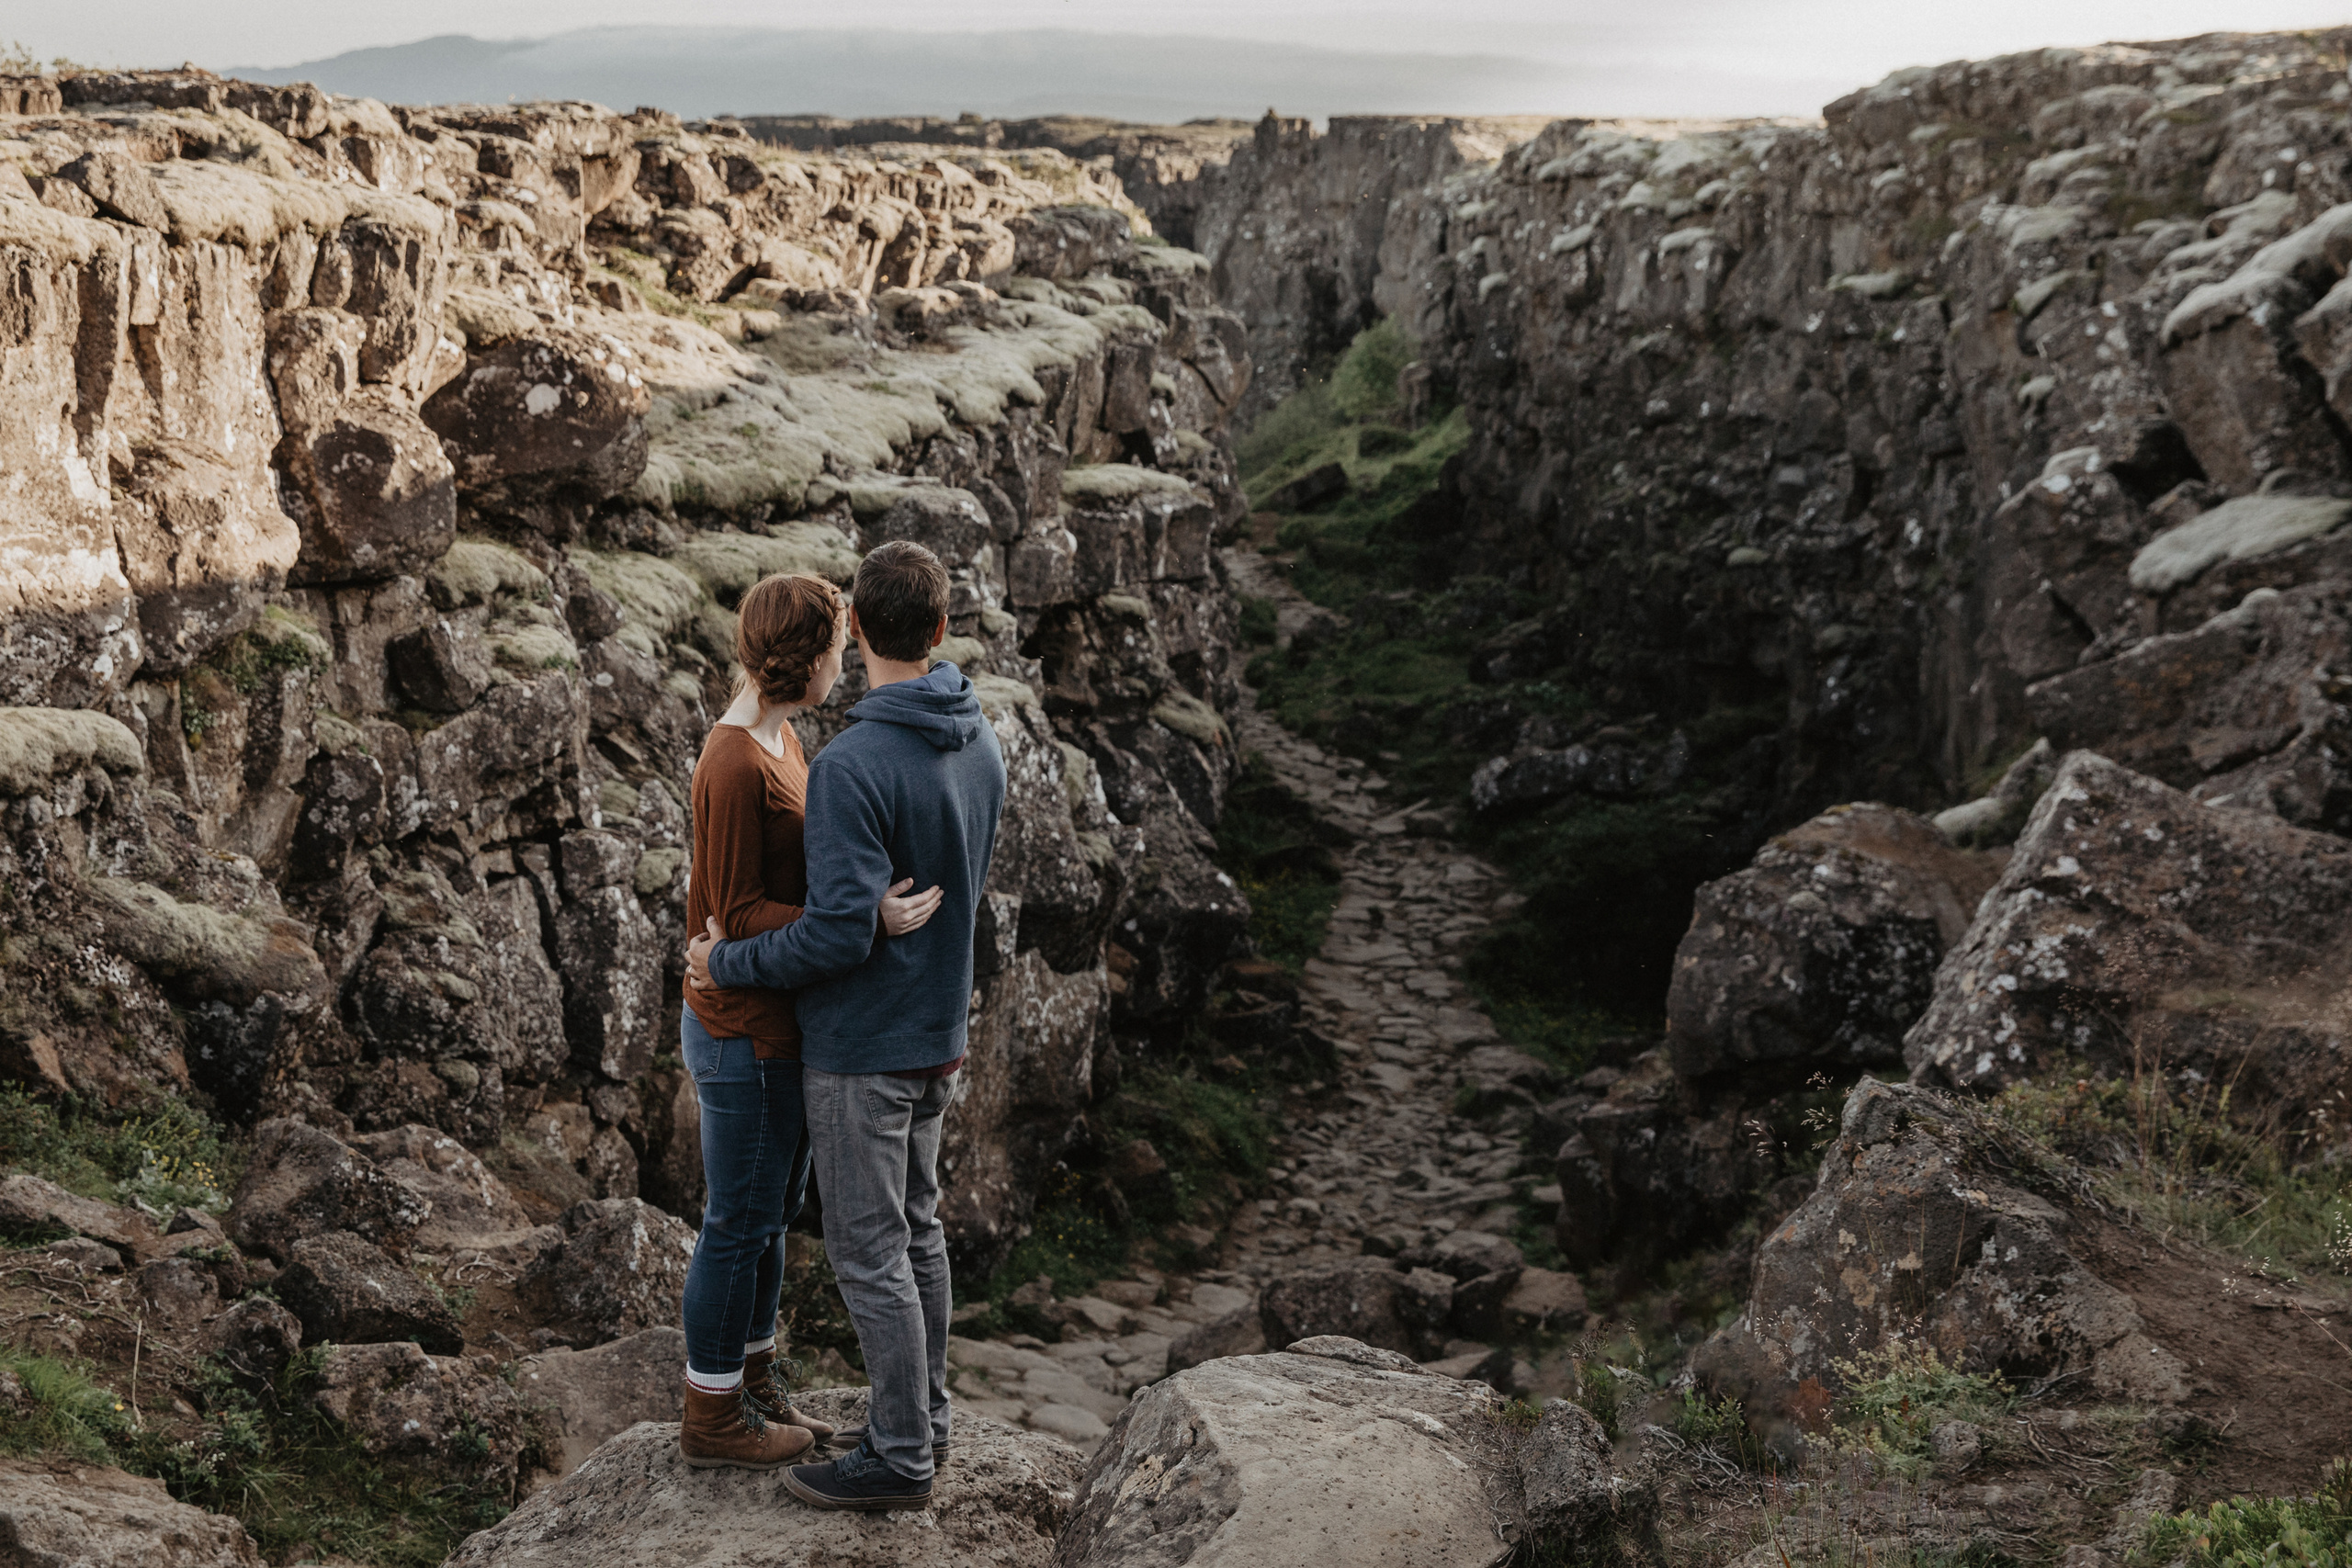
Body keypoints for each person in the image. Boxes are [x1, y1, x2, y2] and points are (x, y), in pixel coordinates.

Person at [687, 538, 1005, 1511]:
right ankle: (923, 1427)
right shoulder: (980, 737)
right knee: (916, 1237)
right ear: (942, 630)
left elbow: (828, 933)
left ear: (857, 631)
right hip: (934, 1033)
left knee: (872, 1253)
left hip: (861, 1047)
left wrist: (723, 959)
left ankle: (900, 1454)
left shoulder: (853, 760)